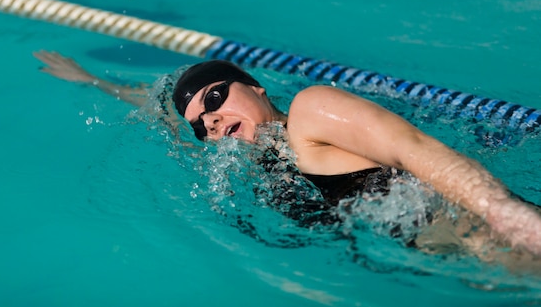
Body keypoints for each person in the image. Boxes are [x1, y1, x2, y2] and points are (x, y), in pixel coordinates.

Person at [33, 50, 541, 264]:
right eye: (200, 125)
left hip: (486, 235)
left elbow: (417, 150)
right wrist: (95, 82)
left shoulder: (310, 111)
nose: (209, 121)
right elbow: (163, 112)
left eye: (215, 99)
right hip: (449, 260)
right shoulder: (255, 157)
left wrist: (509, 217)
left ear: (256, 87)